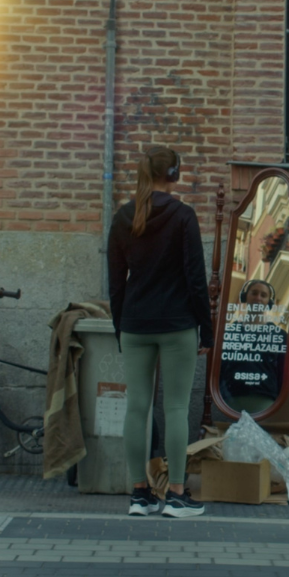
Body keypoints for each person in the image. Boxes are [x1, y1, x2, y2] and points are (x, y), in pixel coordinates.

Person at [107, 145, 214, 518]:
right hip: (177, 324)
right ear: (174, 174)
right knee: (177, 408)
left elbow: (115, 281)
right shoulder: (183, 216)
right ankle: (177, 494)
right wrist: (206, 330)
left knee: (136, 407)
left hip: (135, 324)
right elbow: (196, 279)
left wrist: (120, 326)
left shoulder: (124, 216)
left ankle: (139, 494)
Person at [219, 280, 286, 413]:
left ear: (269, 302)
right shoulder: (230, 332)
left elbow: (283, 372)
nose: (258, 298)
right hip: (230, 400)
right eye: (254, 293)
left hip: (265, 399)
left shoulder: (280, 335)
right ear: (245, 297)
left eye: (263, 295)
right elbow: (220, 368)